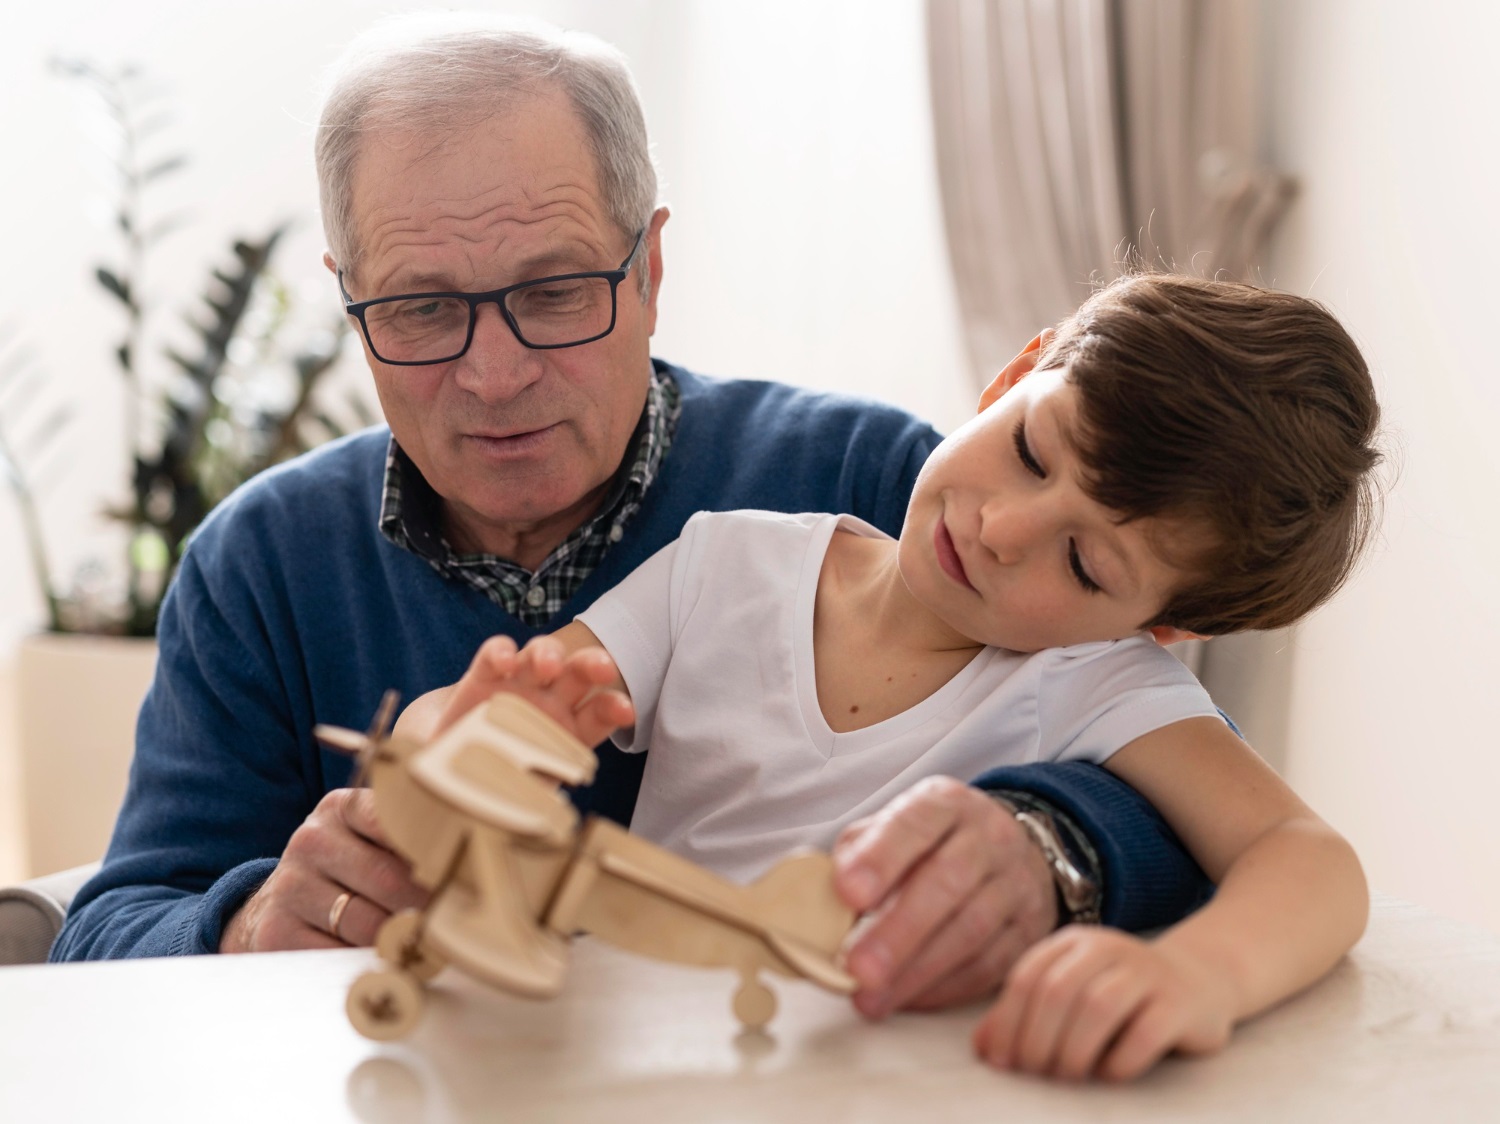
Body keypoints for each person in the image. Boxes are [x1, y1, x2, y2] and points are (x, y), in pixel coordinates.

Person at [52, 14, 1215, 1016]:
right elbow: (99, 936)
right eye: (417, 309)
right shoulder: (260, 562)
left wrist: (1049, 847)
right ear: (352, 306)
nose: (494, 374)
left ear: (650, 268)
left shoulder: (871, 481)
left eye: (554, 291)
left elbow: (1191, 790)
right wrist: (250, 922)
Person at [409, 271, 1382, 1080]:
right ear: (1009, 379)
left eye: (1085, 565)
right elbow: (437, 729)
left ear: (1158, 625)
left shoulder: (1096, 680)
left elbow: (1311, 858)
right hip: (636, 1067)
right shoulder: (725, 563)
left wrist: (1197, 973)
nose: (1003, 532)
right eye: (1033, 453)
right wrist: (482, 725)